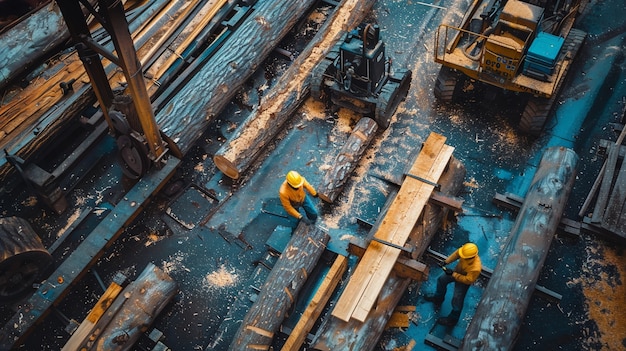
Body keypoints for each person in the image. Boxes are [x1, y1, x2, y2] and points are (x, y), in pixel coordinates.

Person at [424, 242, 482, 326]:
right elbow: (456, 254)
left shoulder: (475, 268)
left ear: (470, 257)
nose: (461, 256)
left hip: (463, 281)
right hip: (456, 272)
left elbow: (468, 280)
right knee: (441, 280)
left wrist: (453, 275)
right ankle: (438, 298)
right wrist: (445, 262)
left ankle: (453, 319)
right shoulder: (465, 252)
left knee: (457, 299)